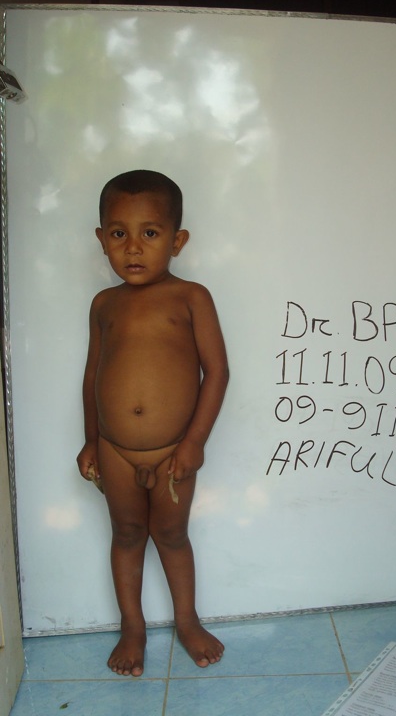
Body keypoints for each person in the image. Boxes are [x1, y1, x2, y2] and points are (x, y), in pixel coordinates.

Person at [76, 170, 229, 677]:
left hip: (172, 452)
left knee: (171, 535)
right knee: (125, 534)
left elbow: (217, 372)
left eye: (150, 233)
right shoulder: (104, 304)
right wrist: (91, 440)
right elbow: (93, 375)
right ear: (102, 239)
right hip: (115, 450)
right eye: (119, 233)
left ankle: (187, 621)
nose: (134, 247)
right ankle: (133, 628)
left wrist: (195, 442)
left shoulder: (191, 297)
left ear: (177, 241)